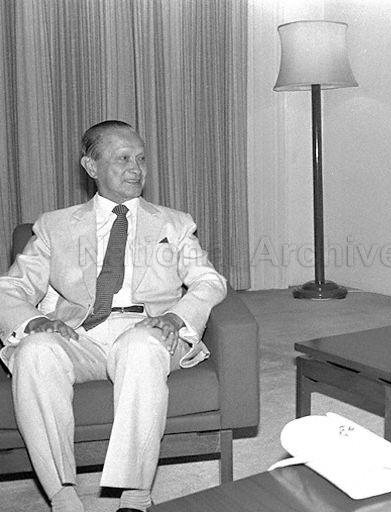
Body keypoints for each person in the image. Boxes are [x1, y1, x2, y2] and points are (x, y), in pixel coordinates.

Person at [0, 120, 227, 512]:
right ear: (91, 167)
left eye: (140, 158)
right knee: (34, 351)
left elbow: (209, 281)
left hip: (149, 329)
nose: (136, 168)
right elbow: (11, 287)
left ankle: (134, 497)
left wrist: (176, 317)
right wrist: (32, 320)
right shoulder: (55, 226)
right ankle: (63, 496)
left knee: (140, 348)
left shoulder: (173, 222)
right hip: (80, 335)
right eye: (123, 158)